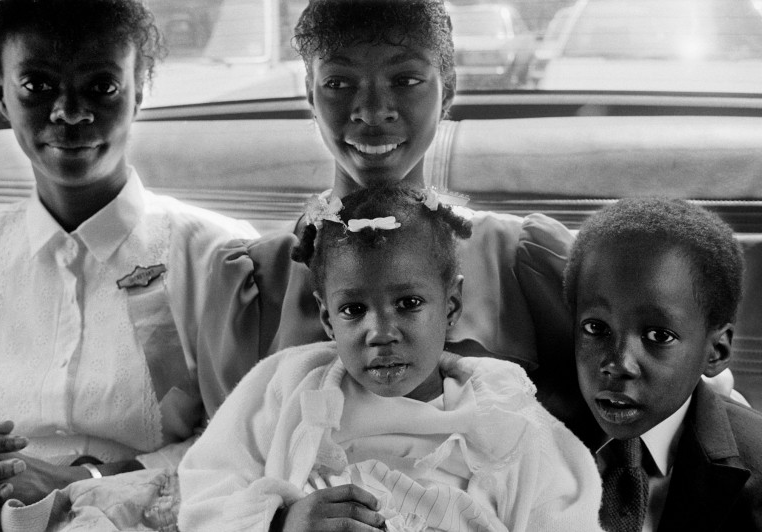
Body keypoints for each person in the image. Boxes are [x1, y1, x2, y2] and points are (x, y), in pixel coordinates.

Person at [199, 0, 597, 444]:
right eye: (338, 82)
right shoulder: (253, 284)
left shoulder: (520, 262)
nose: (371, 110)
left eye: (405, 80)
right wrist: (281, 517)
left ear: (446, 90)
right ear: (311, 94)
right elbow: (228, 467)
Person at [0, 0, 257, 527]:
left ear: (139, 89)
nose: (69, 113)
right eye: (37, 85)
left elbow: (247, 444)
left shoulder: (221, 259)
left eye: (101, 87)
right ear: (2, 93)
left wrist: (85, 483)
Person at [178, 184, 604, 532]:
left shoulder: (506, 414)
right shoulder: (287, 384)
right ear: (327, 318)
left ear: (452, 306)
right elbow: (207, 489)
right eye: (353, 310)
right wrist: (282, 522)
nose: (380, 333)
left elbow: (564, 515)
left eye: (409, 303)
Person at [564, 197, 762, 531]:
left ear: (715, 352)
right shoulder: (530, 430)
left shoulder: (755, 468)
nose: (618, 364)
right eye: (596, 328)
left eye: (659, 335)